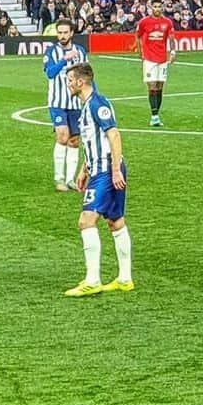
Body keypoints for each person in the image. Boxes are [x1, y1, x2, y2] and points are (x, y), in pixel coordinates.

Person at [63, 61, 133, 296]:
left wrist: (114, 170)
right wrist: (84, 168)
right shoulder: (86, 106)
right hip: (99, 169)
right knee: (115, 221)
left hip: (106, 171)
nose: (69, 84)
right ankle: (125, 279)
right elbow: (95, 142)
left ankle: (92, 280)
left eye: (70, 80)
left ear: (81, 82)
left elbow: (114, 136)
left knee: (86, 220)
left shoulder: (98, 104)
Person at [43, 18, 86, 192]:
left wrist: (93, 96)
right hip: (57, 102)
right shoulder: (51, 52)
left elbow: (87, 76)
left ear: (71, 33)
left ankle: (70, 179)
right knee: (62, 136)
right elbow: (50, 74)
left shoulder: (81, 52)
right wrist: (64, 60)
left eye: (65, 32)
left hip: (75, 103)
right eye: (59, 32)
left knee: (74, 141)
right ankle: (59, 178)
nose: (61, 35)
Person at [135, 1, 176, 127]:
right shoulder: (144, 22)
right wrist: (140, 53)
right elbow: (138, 36)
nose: (157, 9)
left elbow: (171, 38)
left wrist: (173, 51)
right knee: (152, 86)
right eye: (155, 6)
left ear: (162, 8)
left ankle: (156, 115)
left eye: (159, 6)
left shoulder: (167, 22)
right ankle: (154, 116)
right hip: (149, 58)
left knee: (159, 87)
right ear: (151, 8)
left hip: (162, 58)